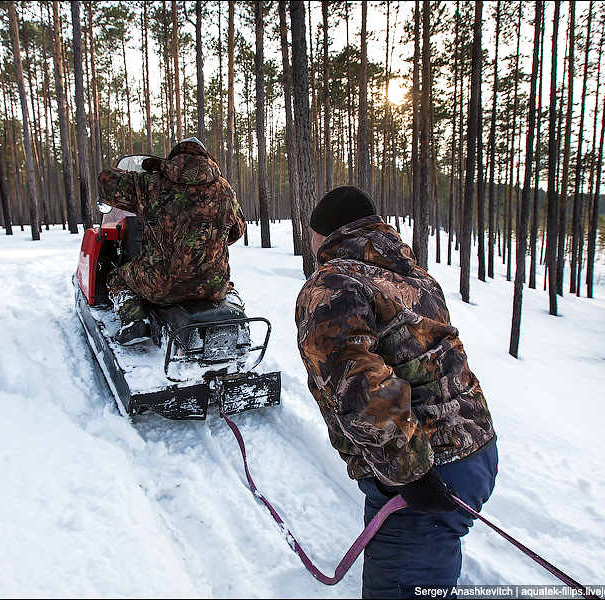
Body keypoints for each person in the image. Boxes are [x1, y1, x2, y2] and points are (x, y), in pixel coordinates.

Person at [294, 186, 498, 599]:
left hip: (425, 466)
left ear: (324, 235)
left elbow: (361, 389)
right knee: (434, 560)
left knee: (406, 583)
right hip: (474, 449)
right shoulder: (414, 275)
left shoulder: (332, 286)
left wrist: (412, 473)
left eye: (311, 234)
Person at [97, 138, 246, 344]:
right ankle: (237, 315)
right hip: (212, 286)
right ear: (206, 159)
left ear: (174, 157)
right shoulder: (224, 189)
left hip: (160, 285)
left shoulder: (152, 184)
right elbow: (237, 231)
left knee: (118, 276)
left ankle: (134, 321)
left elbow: (107, 179)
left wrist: (157, 168)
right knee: (226, 284)